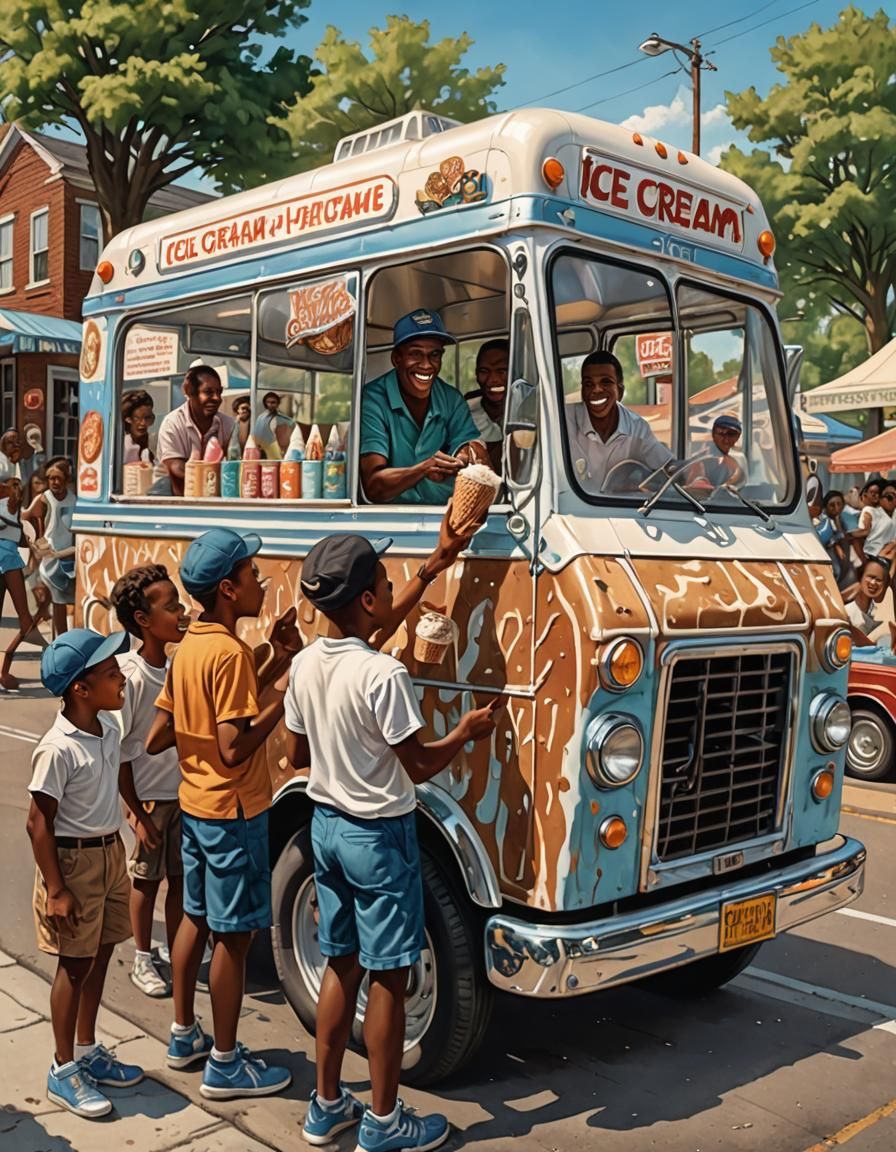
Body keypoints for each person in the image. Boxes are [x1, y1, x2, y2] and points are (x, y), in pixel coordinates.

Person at [284, 533, 501, 1151]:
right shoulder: (385, 674)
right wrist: (465, 730)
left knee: (341, 963)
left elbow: (295, 753)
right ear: (370, 603)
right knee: (388, 977)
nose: (388, 590)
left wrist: (432, 567)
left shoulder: (304, 663)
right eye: (384, 583)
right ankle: (382, 1123)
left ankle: (326, 1105)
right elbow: (419, 765)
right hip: (378, 837)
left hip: (324, 828)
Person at [146, 528, 300, 1098]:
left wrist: (275, 660)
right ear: (229, 590)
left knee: (196, 919)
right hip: (235, 812)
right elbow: (235, 746)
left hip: (196, 804)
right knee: (234, 938)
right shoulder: (230, 652)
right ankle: (226, 1063)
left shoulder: (189, 646)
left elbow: (162, 733)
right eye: (253, 573)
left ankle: (184, 1034)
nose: (260, 581)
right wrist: (289, 690)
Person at [25, 628, 144, 1118]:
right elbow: (37, 822)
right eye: (112, 673)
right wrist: (56, 889)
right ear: (80, 687)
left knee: (100, 952)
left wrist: (136, 816)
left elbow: (114, 778)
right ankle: (62, 1068)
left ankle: (88, 1047)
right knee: (74, 965)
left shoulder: (107, 729)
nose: (122, 679)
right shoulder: (57, 748)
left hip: (110, 852)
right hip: (72, 864)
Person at [110, 564, 189, 998]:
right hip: (151, 801)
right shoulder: (133, 676)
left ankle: (177, 951)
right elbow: (121, 753)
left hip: (184, 795)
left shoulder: (180, 666)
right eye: (170, 606)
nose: (181, 612)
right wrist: (136, 812)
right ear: (143, 620)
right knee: (145, 879)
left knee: (179, 879)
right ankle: (143, 956)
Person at [360, 309, 488, 504]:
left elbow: (467, 444)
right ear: (397, 359)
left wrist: (461, 459)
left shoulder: (451, 398)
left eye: (435, 355)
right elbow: (374, 487)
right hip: (390, 519)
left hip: (445, 514)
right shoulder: (373, 399)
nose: (427, 365)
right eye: (416, 354)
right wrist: (424, 468)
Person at [565, 351, 673, 492]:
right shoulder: (564, 421)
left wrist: (692, 472)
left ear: (620, 391)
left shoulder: (637, 427)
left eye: (606, 382)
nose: (596, 389)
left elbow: (666, 466)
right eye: (588, 383)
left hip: (619, 509)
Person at [154, 366, 234, 496]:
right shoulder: (172, 423)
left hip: (212, 497)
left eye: (219, 392)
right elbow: (176, 468)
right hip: (170, 497)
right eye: (208, 392)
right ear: (190, 392)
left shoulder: (228, 424)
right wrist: (211, 477)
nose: (217, 398)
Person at [0, 476, 44, 690]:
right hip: (8, 564)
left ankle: (4, 668)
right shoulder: (12, 512)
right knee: (27, 619)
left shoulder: (20, 516)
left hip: (11, 563)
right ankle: (3, 669)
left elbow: (31, 542)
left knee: (28, 619)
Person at [23, 460, 76, 637]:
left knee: (55, 604)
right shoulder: (44, 498)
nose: (55, 482)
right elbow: (25, 516)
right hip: (51, 560)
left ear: (66, 479)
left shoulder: (73, 498)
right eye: (51, 478)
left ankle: (44, 634)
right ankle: (61, 639)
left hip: (69, 556)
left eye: (58, 478)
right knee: (59, 601)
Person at [466, 338, 509, 471]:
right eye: (484, 371)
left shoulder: (534, 410)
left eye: (501, 371)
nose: (493, 380)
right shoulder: (464, 414)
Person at [844, 556, 892, 647]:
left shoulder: (880, 613)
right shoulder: (847, 613)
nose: (873, 583)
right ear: (860, 578)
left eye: (879, 580)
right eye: (870, 577)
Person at [816, 490, 856, 590]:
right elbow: (837, 536)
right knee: (835, 571)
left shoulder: (843, 518)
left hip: (840, 554)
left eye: (839, 504)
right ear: (826, 507)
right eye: (832, 505)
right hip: (828, 551)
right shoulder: (824, 520)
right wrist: (837, 545)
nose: (836, 508)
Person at [853, 478, 895, 564]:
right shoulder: (870, 511)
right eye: (888, 497)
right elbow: (861, 536)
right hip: (872, 556)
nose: (891, 500)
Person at [252, 391, 293, 457]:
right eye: (268, 402)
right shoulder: (261, 418)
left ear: (278, 403)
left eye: (273, 402)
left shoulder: (283, 418)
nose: (270, 405)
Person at [121, 389, 156, 464]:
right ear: (127, 419)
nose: (143, 423)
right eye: (137, 418)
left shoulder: (154, 442)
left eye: (147, 418)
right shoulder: (121, 445)